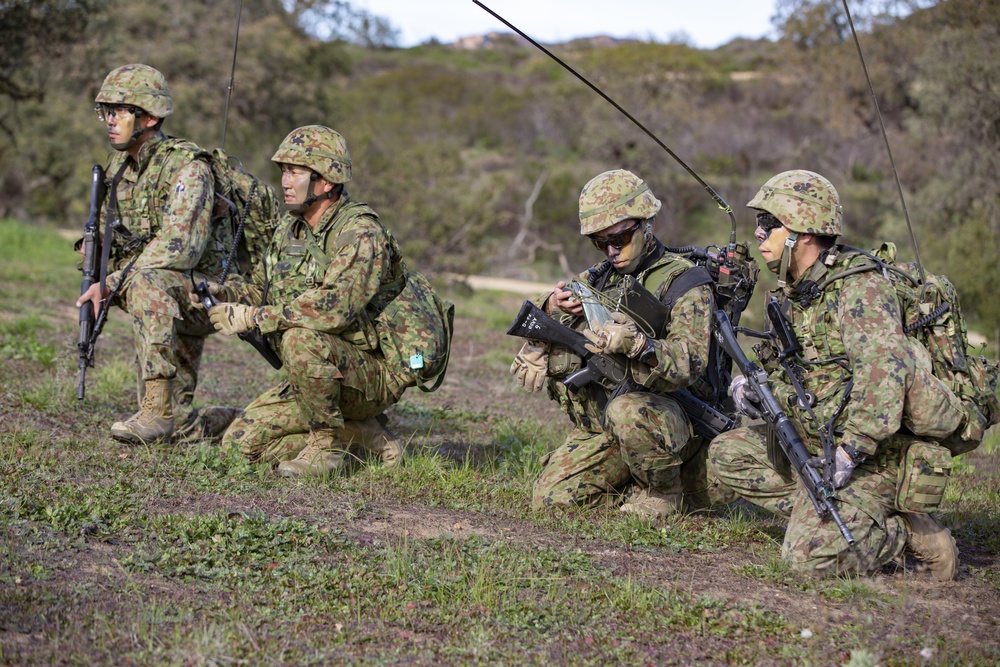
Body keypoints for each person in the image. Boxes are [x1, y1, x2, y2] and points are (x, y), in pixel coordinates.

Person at [708, 169, 961, 580]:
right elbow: (787, 359)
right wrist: (748, 384)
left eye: (770, 223)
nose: (758, 234)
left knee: (806, 561)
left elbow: (885, 375)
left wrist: (851, 451)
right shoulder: (797, 289)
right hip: (816, 439)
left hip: (871, 457)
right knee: (726, 453)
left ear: (804, 233)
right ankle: (832, 517)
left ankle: (907, 533)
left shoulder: (858, 288)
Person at [202, 125, 449, 477]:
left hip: (373, 375)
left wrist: (255, 318)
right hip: (322, 372)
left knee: (300, 338)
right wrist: (225, 296)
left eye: (296, 172)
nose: (285, 181)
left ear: (327, 182)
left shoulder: (361, 232)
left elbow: (334, 309)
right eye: (284, 171)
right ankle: (361, 435)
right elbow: (261, 289)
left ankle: (326, 447)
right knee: (240, 444)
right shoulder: (290, 229)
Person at [512, 169, 729, 517]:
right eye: (600, 243)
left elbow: (689, 364)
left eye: (621, 238)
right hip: (608, 426)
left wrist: (639, 345)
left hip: (668, 419)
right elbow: (555, 304)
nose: (612, 251)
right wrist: (548, 315)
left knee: (627, 411)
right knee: (551, 501)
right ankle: (633, 479)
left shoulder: (685, 284)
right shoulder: (601, 277)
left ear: (648, 224)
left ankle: (665, 490)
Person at [76, 64, 235, 444]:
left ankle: (157, 411)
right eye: (105, 112)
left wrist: (111, 283)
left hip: (211, 292)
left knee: (147, 281)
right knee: (178, 430)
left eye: (119, 112)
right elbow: (115, 232)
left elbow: (181, 246)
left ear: (148, 117)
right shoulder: (121, 166)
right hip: (170, 290)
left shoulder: (188, 166)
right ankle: (235, 422)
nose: (109, 121)